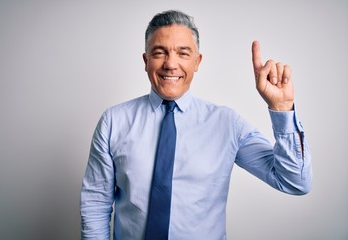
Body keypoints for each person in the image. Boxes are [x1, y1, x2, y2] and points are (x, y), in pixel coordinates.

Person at [80, 10, 312, 240]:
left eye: (183, 53)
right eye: (159, 53)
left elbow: (294, 182)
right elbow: (96, 203)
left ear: (197, 61)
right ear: (146, 60)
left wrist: (282, 108)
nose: (171, 64)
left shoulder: (227, 124)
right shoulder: (114, 122)